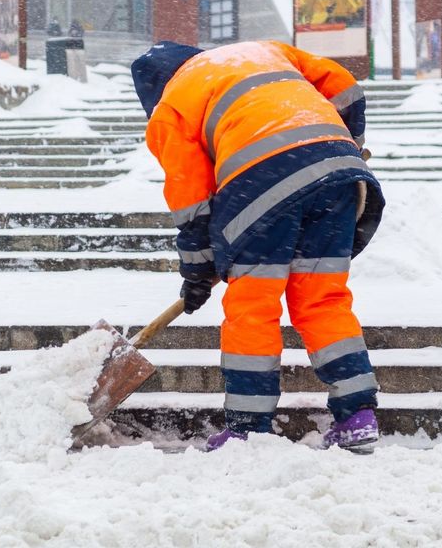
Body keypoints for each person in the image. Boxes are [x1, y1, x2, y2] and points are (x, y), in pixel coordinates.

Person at [132, 40, 385, 453]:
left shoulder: (170, 108)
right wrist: (349, 143)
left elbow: (192, 202)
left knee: (254, 306)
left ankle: (249, 429)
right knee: (324, 300)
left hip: (260, 184)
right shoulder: (263, 51)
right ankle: (357, 415)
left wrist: (197, 272)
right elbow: (346, 88)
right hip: (340, 177)